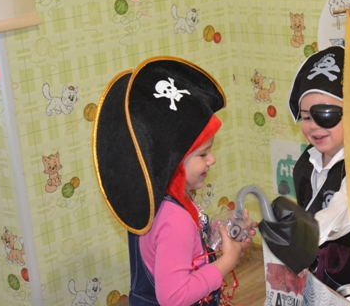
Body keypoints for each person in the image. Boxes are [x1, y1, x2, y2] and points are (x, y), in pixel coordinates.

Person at [93, 56, 257, 305]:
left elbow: (178, 253)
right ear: (172, 163)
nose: (212, 159)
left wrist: (220, 236)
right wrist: (227, 261)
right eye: (203, 154)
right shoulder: (176, 220)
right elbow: (174, 297)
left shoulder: (152, 202)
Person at [287, 45, 350, 291]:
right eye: (306, 117)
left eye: (326, 115)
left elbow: (342, 211)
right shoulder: (305, 164)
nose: (313, 126)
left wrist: (302, 236)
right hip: (315, 275)